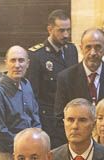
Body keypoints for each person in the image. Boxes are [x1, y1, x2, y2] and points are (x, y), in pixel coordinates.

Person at [53, 29, 104, 135]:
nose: (93, 53)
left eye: (98, 47)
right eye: (88, 47)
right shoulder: (66, 77)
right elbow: (60, 117)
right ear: (81, 48)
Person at [0, 46, 40, 160]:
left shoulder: (26, 84)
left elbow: (34, 115)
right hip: (6, 154)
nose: (17, 65)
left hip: (27, 150)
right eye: (13, 60)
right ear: (6, 63)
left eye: (21, 61)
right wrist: (24, 146)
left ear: (28, 63)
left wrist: (37, 137)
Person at [27, 9, 78, 147]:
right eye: (61, 30)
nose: (66, 34)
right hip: (50, 121)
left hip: (71, 118)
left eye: (68, 30)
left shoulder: (71, 50)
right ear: (50, 29)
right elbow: (33, 95)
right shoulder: (37, 55)